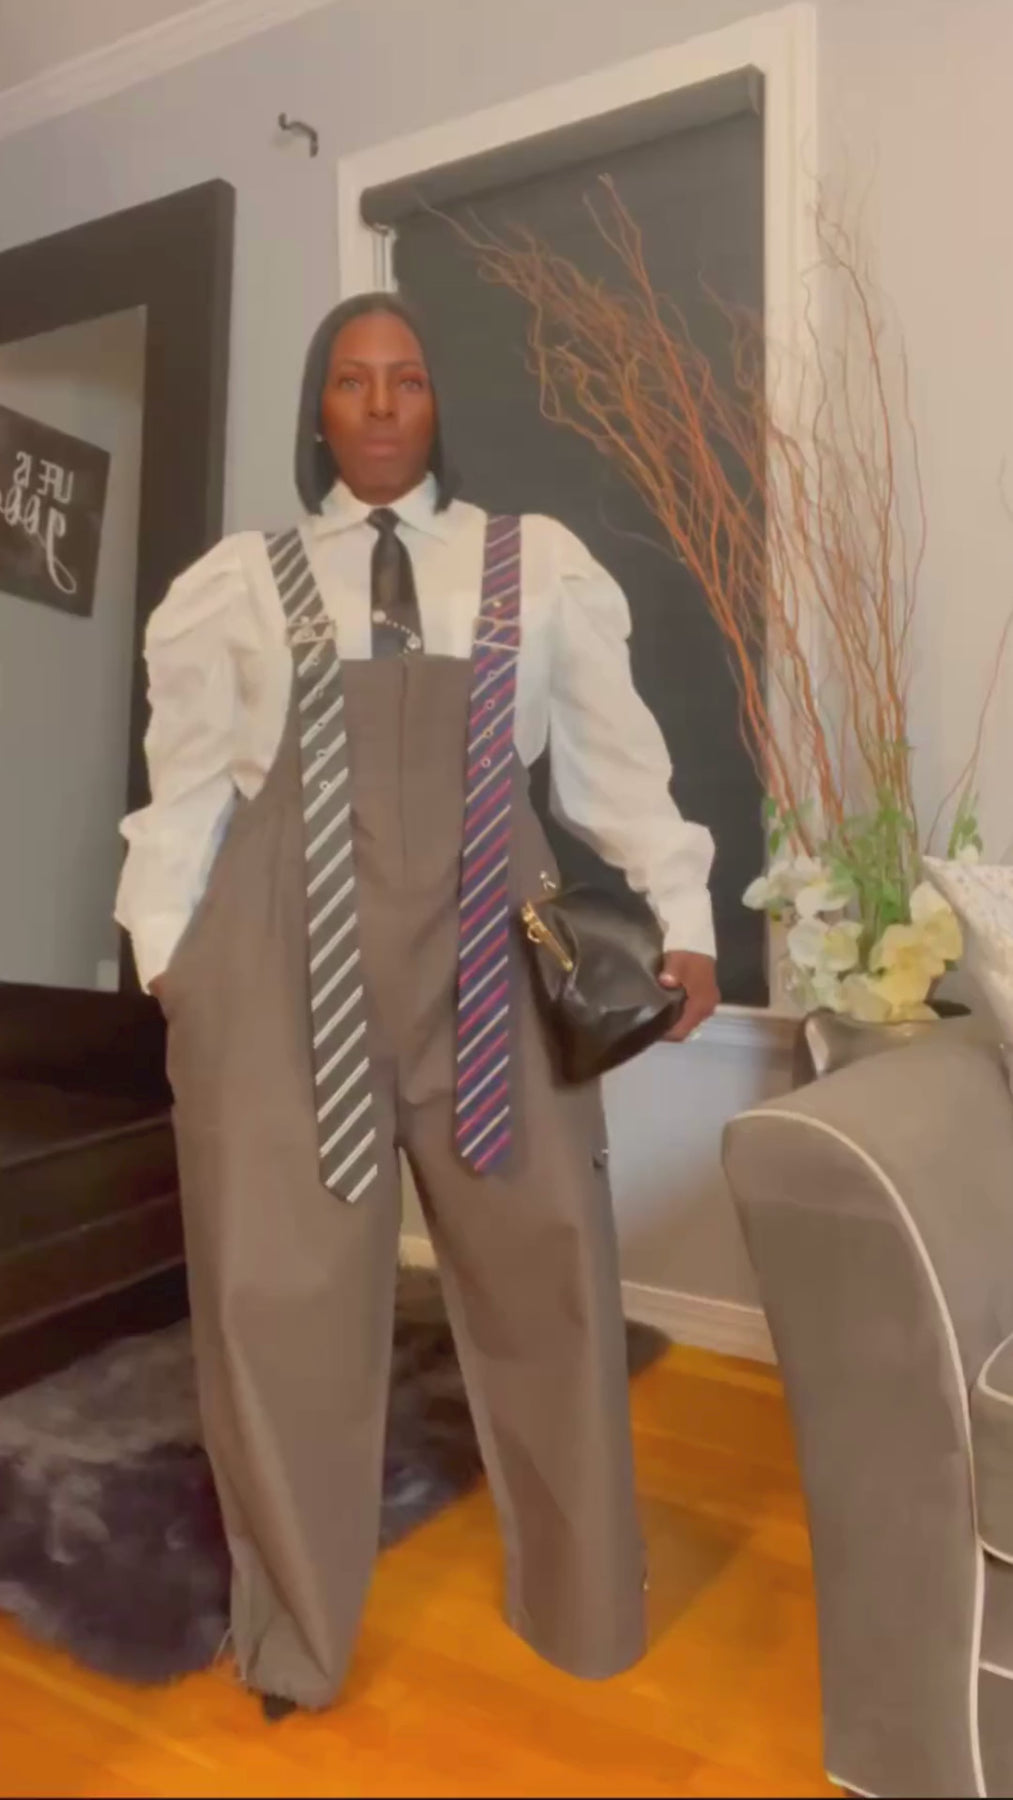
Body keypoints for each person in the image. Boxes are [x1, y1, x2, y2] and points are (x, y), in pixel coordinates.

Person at [115, 292, 719, 1718]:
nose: (381, 405)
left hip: (495, 951)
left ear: (439, 402)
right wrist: (171, 964)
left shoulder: (536, 565)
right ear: (317, 410)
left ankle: (582, 1606)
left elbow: (613, 763)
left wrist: (683, 915)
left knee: (549, 1273)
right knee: (275, 1298)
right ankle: (295, 1635)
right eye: (351, 380)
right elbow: (185, 792)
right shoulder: (235, 583)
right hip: (276, 957)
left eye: (407, 379)